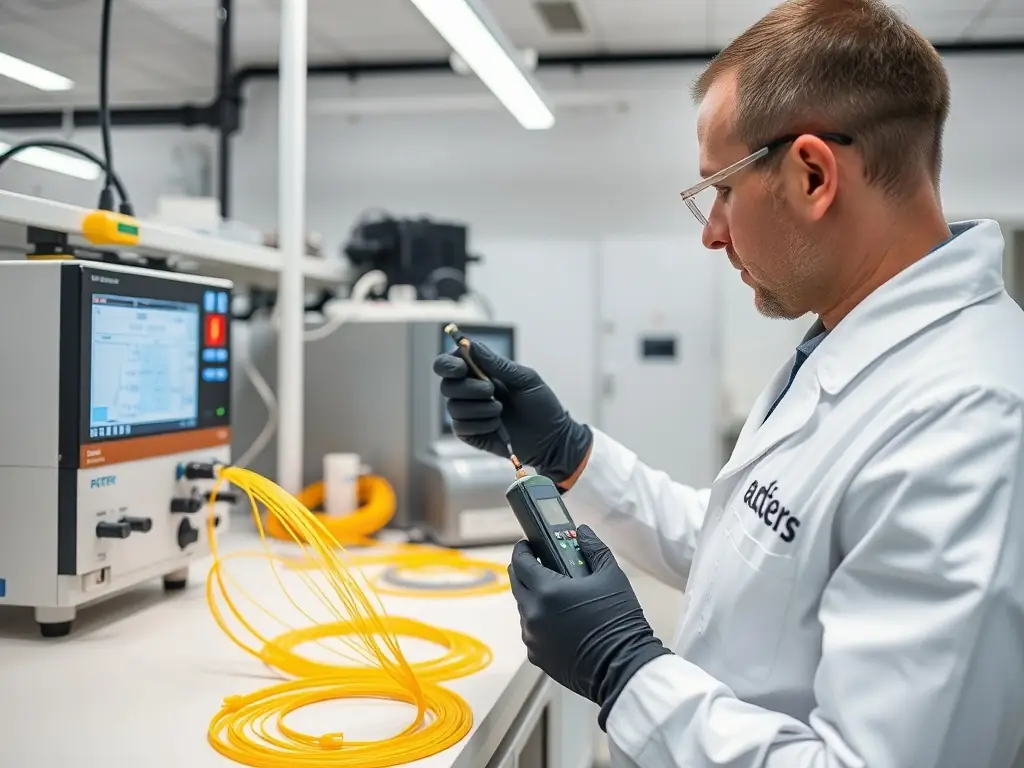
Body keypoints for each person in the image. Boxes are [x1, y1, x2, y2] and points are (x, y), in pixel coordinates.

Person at [434, 0, 1024, 765]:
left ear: (813, 174)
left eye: (721, 189)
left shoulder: (971, 420)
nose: (712, 231)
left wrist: (628, 671)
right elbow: (749, 547)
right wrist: (571, 453)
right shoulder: (843, 343)